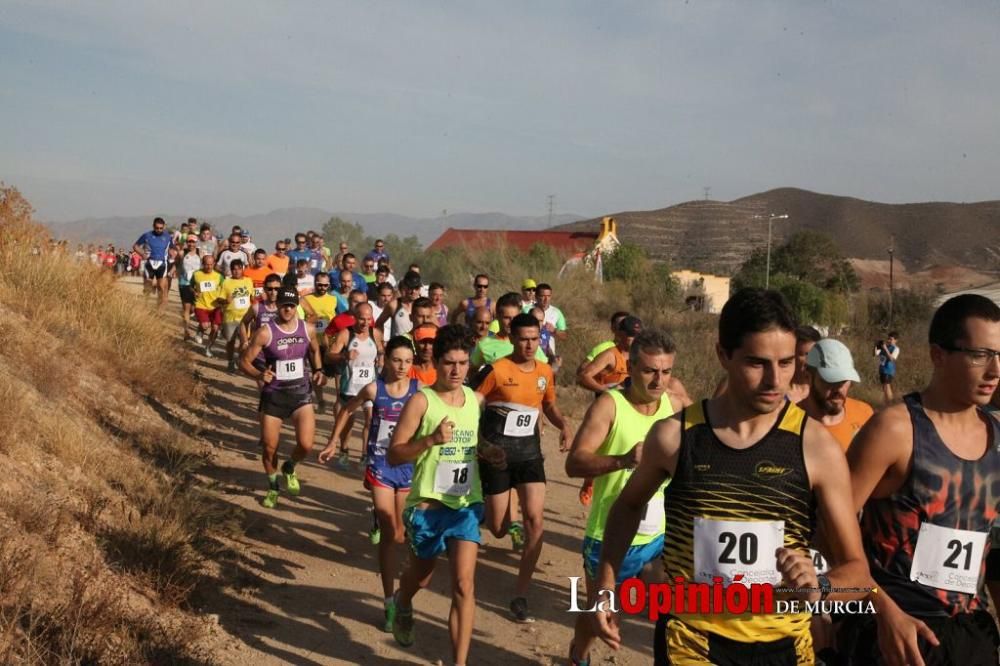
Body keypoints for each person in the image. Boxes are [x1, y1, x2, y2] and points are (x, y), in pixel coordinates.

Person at [589, 288, 872, 665]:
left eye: (787, 363)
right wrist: (607, 582)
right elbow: (627, 505)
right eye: (757, 363)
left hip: (785, 647)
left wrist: (819, 586)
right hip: (690, 643)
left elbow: (858, 574)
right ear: (723, 354)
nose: (775, 380)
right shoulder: (675, 437)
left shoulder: (817, 447)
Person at [841, 294, 1000, 666]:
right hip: (892, 633)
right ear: (938, 354)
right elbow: (831, 530)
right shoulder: (895, 429)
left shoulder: (997, 436)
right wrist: (879, 609)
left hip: (967, 634)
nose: (994, 371)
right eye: (980, 355)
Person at [565, 329, 685, 665]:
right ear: (630, 367)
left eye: (666, 371)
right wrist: (623, 460)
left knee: (670, 607)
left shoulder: (675, 404)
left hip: (659, 534)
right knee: (599, 614)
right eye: (649, 371)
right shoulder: (610, 406)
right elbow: (574, 463)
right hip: (609, 534)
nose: (658, 380)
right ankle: (579, 652)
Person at [387, 325, 500, 665]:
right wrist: (431, 441)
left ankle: (459, 663)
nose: (456, 370)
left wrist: (488, 451)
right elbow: (395, 454)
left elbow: (473, 442)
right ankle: (402, 601)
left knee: (465, 586)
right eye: (449, 363)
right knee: (421, 577)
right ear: (436, 361)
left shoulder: (476, 402)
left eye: (463, 363)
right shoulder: (422, 401)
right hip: (427, 507)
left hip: (465, 506)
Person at [471, 313, 571, 623]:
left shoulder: (544, 371)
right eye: (523, 338)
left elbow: (549, 404)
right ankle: (502, 522)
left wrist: (564, 425)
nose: (529, 344)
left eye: (534, 338)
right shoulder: (497, 370)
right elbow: (473, 401)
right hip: (497, 455)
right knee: (499, 529)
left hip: (529, 455)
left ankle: (521, 593)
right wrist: (479, 442)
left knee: (535, 520)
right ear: (512, 339)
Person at [319, 335, 419, 629]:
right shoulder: (375, 389)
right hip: (380, 465)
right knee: (391, 532)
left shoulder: (418, 391)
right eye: (397, 360)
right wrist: (333, 441)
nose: (402, 366)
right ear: (386, 359)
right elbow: (348, 409)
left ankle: (402, 595)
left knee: (402, 535)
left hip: (408, 468)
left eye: (408, 362)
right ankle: (389, 601)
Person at [240, 279, 325, 509]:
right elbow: (244, 361)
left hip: (300, 395)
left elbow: (315, 351)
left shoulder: (307, 329)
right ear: (277, 306)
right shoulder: (265, 333)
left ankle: (289, 467)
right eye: (284, 305)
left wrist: (318, 370)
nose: (287, 309)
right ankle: (273, 486)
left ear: (297, 306)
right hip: (274, 396)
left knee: (306, 445)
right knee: (269, 447)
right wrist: (258, 375)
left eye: (291, 305)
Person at [327, 302, 383, 469]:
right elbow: (329, 356)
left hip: (370, 387)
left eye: (368, 319)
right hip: (350, 387)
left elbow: (381, 350)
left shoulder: (376, 333)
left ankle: (365, 455)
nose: (365, 323)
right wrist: (345, 355)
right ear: (354, 318)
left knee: (370, 419)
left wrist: (381, 357)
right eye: (361, 319)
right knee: (347, 422)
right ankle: (344, 451)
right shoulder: (346, 334)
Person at [798, 338, 873, 452]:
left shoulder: (865, 414)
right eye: (830, 380)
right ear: (808, 377)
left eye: (844, 381)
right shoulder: (789, 422)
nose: (839, 389)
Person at [713, 324, 821, 403]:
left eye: (815, 355)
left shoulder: (822, 391)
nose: (811, 361)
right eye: (805, 354)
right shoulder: (771, 388)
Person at [577, 315, 643, 394]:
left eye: (638, 335)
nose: (635, 338)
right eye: (631, 334)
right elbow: (583, 376)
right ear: (620, 333)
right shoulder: (610, 355)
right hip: (610, 403)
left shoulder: (641, 356)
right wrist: (606, 392)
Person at [302, 274, 338, 412]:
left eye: (325, 285)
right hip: (313, 341)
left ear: (329, 285)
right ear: (315, 284)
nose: (322, 288)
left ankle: (339, 400)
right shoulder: (306, 299)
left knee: (335, 373)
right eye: (320, 285)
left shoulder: (334, 299)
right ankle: (321, 400)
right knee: (317, 372)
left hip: (330, 342)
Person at [213, 259, 254, 371]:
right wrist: (226, 301)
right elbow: (219, 300)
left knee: (244, 342)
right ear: (231, 270)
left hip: (245, 319)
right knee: (230, 341)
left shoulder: (249, 281)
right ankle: (230, 361)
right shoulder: (226, 282)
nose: (236, 271)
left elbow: (252, 297)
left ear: (242, 269)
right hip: (230, 318)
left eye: (239, 269)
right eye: (234, 269)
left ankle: (240, 360)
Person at [133, 217, 174, 308]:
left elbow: (172, 248)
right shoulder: (146, 235)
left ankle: (158, 310)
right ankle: (145, 306)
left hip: (162, 264)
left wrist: (173, 255)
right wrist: (142, 254)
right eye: (157, 228)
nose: (159, 230)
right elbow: (135, 246)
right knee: (148, 286)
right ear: (153, 226)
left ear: (164, 227)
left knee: (161, 287)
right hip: (150, 263)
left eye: (161, 228)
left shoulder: (168, 237)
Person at [192, 254, 224, 357]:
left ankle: (208, 348)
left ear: (214, 264)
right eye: (206, 264)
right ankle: (200, 330)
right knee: (205, 326)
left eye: (211, 264)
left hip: (215, 306)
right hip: (201, 304)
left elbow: (225, 288)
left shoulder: (219, 276)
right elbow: (190, 286)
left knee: (215, 329)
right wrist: (194, 292)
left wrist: (223, 299)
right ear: (203, 264)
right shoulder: (196, 274)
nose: (209, 267)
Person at [376, 273, 422, 338]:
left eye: (416, 288)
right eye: (410, 288)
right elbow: (378, 324)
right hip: (398, 346)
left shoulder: (424, 306)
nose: (413, 291)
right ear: (405, 287)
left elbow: (435, 326)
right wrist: (380, 343)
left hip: (417, 347)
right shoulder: (394, 305)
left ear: (420, 289)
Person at [176, 235, 202, 342]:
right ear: (187, 242)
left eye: (193, 242)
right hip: (185, 284)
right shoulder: (182, 253)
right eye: (189, 242)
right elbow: (177, 263)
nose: (191, 244)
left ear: (196, 243)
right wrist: (177, 273)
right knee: (186, 308)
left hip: (197, 285)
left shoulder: (201, 253)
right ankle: (186, 331)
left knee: (195, 308)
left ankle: (198, 332)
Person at [875, 330, 901, 403]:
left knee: (887, 386)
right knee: (884, 387)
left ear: (896, 340)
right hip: (882, 369)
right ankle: (887, 403)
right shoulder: (884, 346)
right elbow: (876, 354)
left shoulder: (896, 348)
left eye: (891, 339)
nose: (889, 340)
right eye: (888, 339)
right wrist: (877, 345)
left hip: (889, 370)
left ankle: (890, 404)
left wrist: (886, 349)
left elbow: (891, 358)